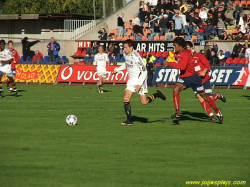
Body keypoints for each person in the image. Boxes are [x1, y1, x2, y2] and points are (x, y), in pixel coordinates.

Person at [163, 37, 223, 124]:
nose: (174, 48)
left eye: (175, 46)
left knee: (204, 97)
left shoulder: (186, 53)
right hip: (184, 78)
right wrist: (170, 57)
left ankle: (217, 111)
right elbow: (174, 55)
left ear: (180, 46)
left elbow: (182, 66)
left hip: (194, 78)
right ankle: (178, 113)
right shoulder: (178, 52)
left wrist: (169, 63)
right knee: (176, 89)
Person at [112, 39, 166, 126]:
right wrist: (117, 70)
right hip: (131, 81)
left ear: (131, 47)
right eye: (124, 47)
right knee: (126, 98)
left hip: (139, 80)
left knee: (144, 102)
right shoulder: (126, 54)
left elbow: (144, 71)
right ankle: (129, 120)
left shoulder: (136, 57)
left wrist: (139, 84)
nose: (124, 49)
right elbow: (126, 63)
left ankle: (157, 94)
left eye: (126, 48)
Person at [186, 41, 226, 121]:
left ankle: (217, 95)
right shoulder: (186, 59)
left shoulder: (199, 56)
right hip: (195, 82)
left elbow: (207, 66)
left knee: (209, 99)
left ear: (191, 48)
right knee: (200, 98)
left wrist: (204, 71)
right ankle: (212, 116)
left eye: (187, 48)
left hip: (204, 80)